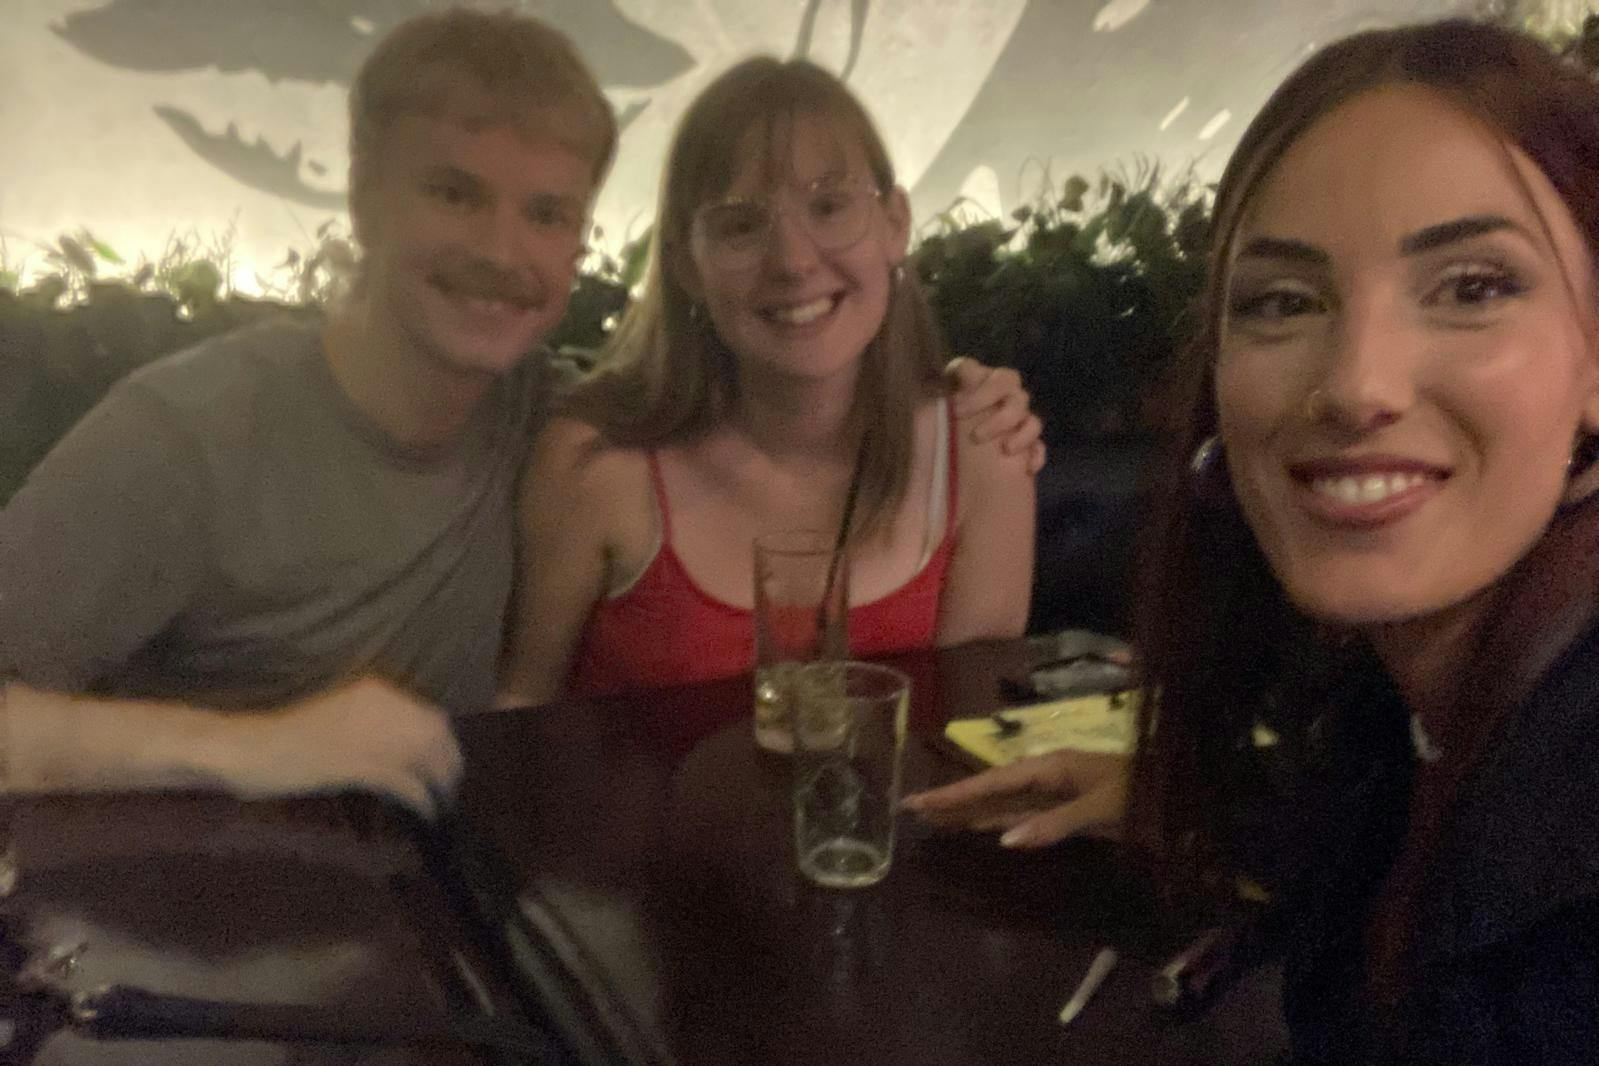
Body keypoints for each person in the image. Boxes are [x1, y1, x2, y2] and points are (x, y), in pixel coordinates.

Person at [0, 12, 1041, 817]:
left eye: (546, 213)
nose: (504, 251)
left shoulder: (545, 415)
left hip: (438, 928)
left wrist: (954, 392)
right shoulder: (188, 435)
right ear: (362, 197)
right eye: (455, 193)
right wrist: (251, 750)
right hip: (171, 942)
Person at [906, 19, 1599, 1064]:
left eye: (1473, 287)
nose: (1358, 384)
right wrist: (1219, 813)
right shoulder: (1408, 701)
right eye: (1284, 300)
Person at [497, 58, 1035, 707]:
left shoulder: (981, 450)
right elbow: (518, 725)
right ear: (685, 265)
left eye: (828, 205)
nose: (792, 261)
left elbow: (966, 749)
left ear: (894, 224)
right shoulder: (595, 465)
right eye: (740, 224)